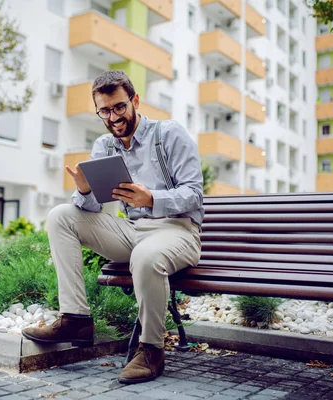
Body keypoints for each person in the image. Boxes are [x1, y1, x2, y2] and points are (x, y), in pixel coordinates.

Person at [22, 70, 204, 384]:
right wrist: (84, 191)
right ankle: (75, 318)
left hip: (178, 230)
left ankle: (151, 349)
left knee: (146, 256)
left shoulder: (169, 133)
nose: (113, 116)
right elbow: (93, 209)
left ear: (134, 101)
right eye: (104, 110)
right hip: (133, 232)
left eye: (119, 107)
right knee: (60, 216)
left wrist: (151, 198)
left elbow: (194, 193)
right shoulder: (105, 145)